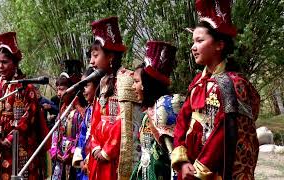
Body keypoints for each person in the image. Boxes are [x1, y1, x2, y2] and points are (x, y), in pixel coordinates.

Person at [171, 0, 260, 179]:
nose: (193, 47)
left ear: (219, 45)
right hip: (189, 164)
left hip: (213, 169)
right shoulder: (198, 82)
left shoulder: (234, 84)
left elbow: (225, 133)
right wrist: (182, 160)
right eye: (193, 41)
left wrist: (200, 168)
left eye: (199, 41)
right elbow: (182, 120)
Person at [0, 32, 47, 179]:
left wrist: (10, 139)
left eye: (5, 62)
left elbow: (28, 117)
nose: (0, 66)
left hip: (19, 143)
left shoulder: (26, 89)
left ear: (15, 63)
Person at [87, 16, 141, 180]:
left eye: (95, 55)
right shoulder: (103, 81)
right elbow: (96, 118)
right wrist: (95, 146)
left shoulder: (126, 79)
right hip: (99, 153)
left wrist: (107, 151)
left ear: (110, 56)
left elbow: (125, 122)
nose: (91, 62)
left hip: (114, 156)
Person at [130, 41, 184, 180]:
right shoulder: (146, 113)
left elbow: (175, 154)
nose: (133, 87)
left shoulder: (166, 108)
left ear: (147, 84)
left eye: (136, 82)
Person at [50, 73, 87, 180]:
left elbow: (81, 135)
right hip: (60, 156)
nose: (58, 93)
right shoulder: (62, 111)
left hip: (73, 157)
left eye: (61, 89)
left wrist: (71, 154)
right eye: (57, 89)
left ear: (72, 90)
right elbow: (55, 132)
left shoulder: (80, 113)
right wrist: (55, 151)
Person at [72, 67, 99, 180]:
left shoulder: (101, 110)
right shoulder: (88, 111)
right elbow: (82, 135)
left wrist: (89, 159)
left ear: (98, 86)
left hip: (95, 160)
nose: (83, 91)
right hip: (84, 164)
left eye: (87, 86)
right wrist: (81, 159)